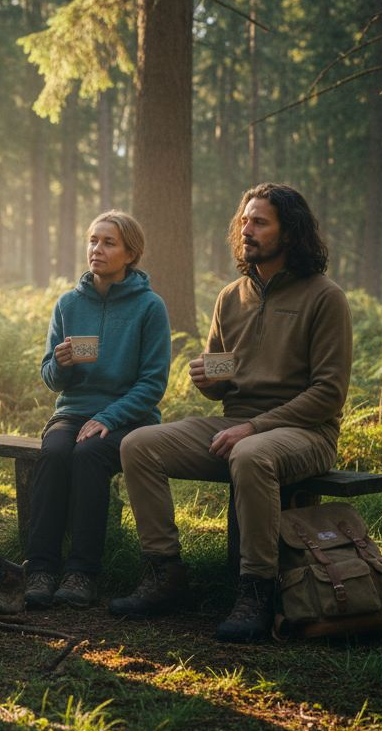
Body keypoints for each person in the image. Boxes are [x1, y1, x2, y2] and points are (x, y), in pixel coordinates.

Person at [110, 183, 352, 642]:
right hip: (236, 422)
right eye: (243, 221)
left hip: (306, 431)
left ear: (290, 231)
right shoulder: (230, 297)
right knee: (139, 444)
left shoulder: (324, 297)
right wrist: (209, 380)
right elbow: (224, 378)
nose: (246, 230)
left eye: (259, 222)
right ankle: (165, 573)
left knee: (250, 454)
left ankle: (256, 589)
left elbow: (328, 394)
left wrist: (255, 427)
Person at [23, 211, 171, 610]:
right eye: (93, 240)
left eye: (108, 242)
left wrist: (107, 417)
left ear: (130, 253)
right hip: (72, 412)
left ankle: (82, 572)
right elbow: (51, 378)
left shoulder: (150, 307)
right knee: (55, 453)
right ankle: (40, 568)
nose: (97, 249)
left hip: (129, 419)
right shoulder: (68, 304)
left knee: (88, 455)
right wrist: (61, 364)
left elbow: (152, 385)